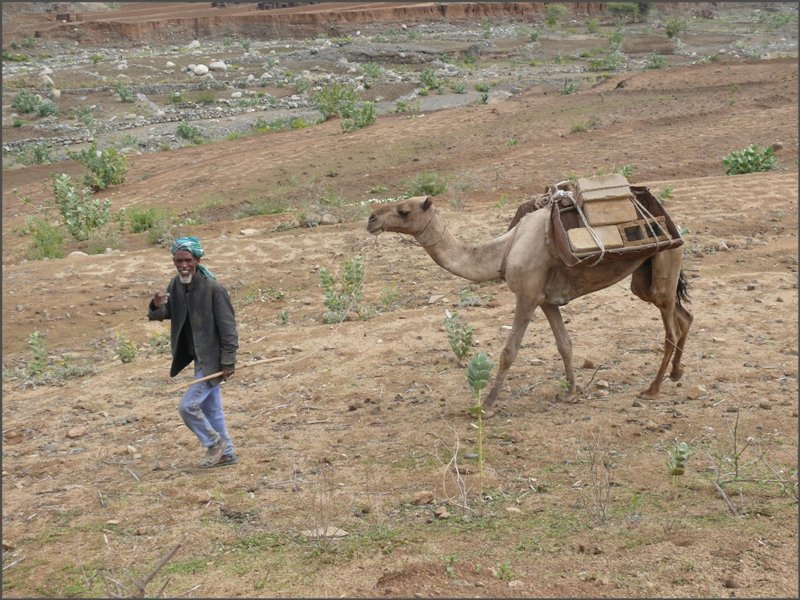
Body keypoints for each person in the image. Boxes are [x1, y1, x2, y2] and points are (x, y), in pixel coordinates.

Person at [148, 236, 239, 468]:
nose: (183, 265)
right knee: (212, 409)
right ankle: (227, 454)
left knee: (188, 406)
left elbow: (229, 329)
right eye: (178, 261)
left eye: (187, 260)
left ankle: (213, 443)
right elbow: (165, 313)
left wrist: (228, 362)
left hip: (213, 361)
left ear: (197, 260)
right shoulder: (175, 285)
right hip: (198, 358)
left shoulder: (213, 289)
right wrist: (157, 306)